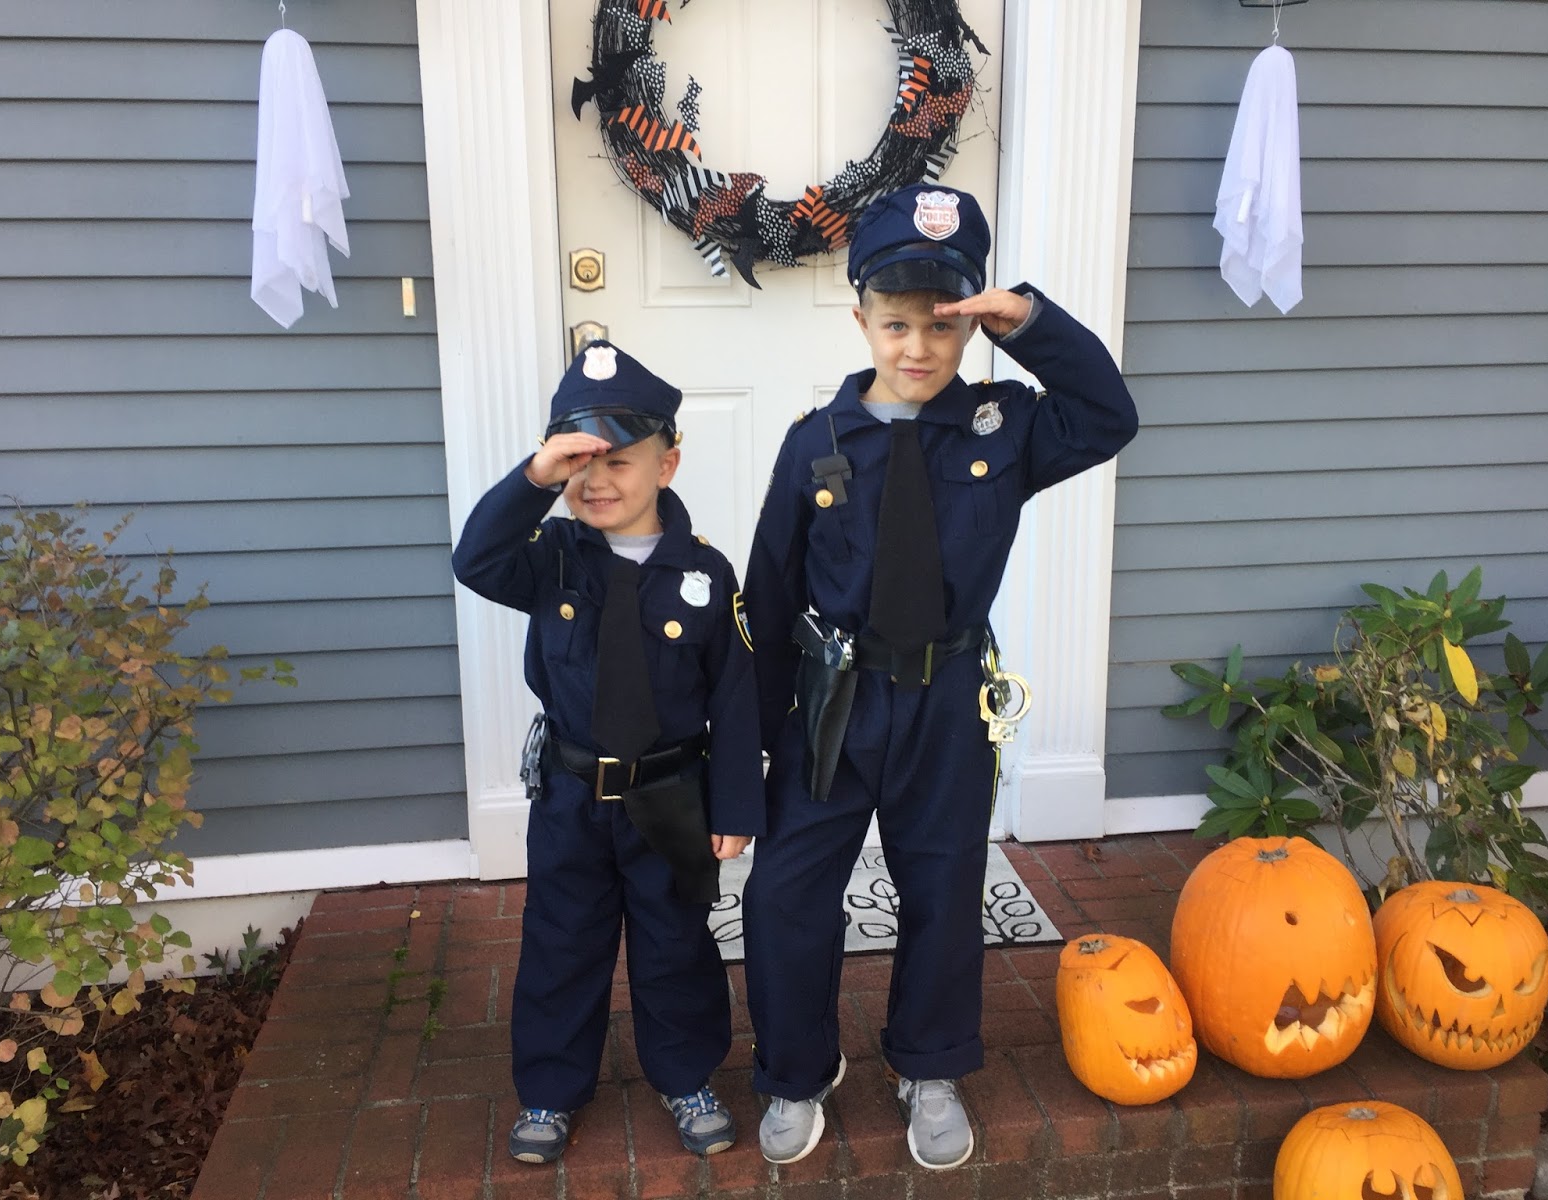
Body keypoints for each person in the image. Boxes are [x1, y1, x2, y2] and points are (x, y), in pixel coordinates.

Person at [741, 183, 1138, 1170]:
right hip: (831, 702)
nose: (917, 347)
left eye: (941, 325)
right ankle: (796, 1068)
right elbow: (769, 594)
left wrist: (1028, 322)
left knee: (945, 885)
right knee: (786, 892)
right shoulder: (816, 441)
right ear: (861, 322)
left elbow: (1108, 416)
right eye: (896, 324)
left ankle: (928, 1063)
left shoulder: (1005, 428)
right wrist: (750, 748)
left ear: (969, 327)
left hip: (948, 700)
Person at [452, 341, 764, 1164]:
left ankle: (686, 1075)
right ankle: (551, 1089)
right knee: (562, 944)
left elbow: (735, 699)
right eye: (577, 463)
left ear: (667, 464)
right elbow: (474, 558)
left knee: (675, 943)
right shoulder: (549, 559)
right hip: (572, 795)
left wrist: (737, 805)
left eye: (617, 461)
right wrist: (534, 477)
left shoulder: (706, 574)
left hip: (672, 796)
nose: (595, 481)